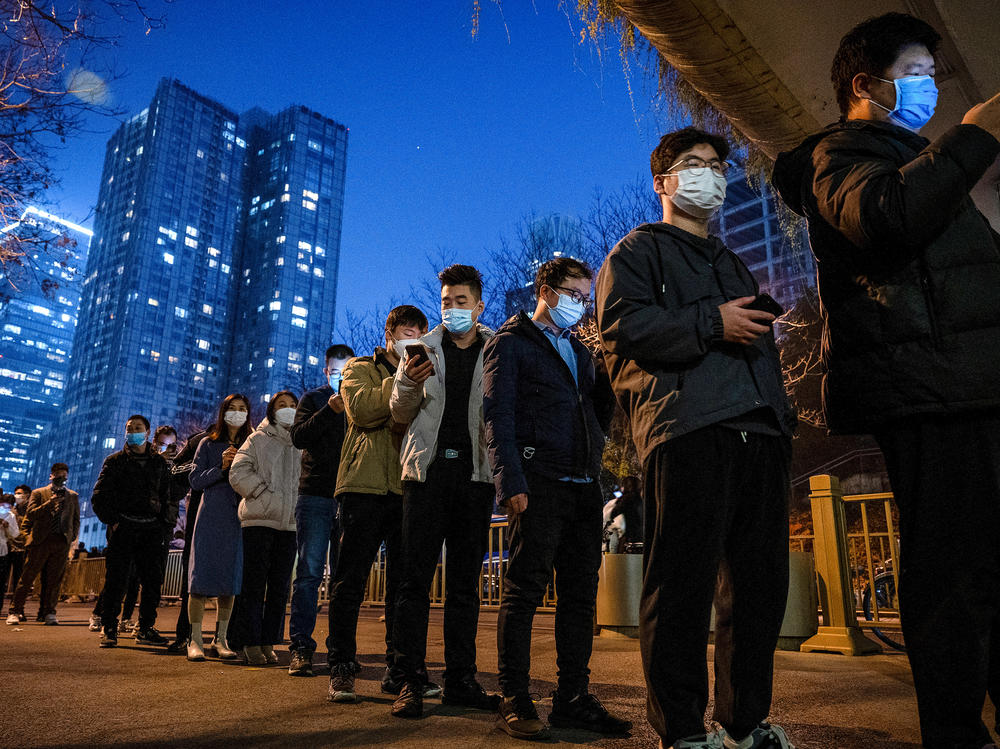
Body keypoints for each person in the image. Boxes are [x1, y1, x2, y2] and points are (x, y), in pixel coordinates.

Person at [771, 13, 1000, 748]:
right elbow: (885, 217)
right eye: (915, 72)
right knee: (956, 575)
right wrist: (976, 134)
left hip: (965, 384)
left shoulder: (907, 156)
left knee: (984, 572)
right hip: (932, 389)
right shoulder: (841, 155)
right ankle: (955, 732)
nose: (929, 86)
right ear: (864, 84)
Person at [596, 126, 797, 749]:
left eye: (717, 164)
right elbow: (622, 329)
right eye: (694, 164)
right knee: (681, 586)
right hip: (686, 430)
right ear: (663, 182)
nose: (710, 174)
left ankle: (744, 722)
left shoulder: (732, 260)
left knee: (759, 589)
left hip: (758, 430)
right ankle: (681, 730)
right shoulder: (637, 252)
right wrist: (713, 319)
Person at [484, 257, 629, 739]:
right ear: (545, 289)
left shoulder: (581, 352)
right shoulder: (510, 344)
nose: (580, 304)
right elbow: (497, 416)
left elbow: (597, 413)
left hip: (584, 486)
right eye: (573, 293)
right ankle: (515, 697)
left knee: (580, 597)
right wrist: (511, 482)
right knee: (524, 592)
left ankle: (572, 697)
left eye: (585, 297)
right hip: (539, 482)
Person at [388, 264, 500, 719]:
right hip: (427, 475)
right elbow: (399, 411)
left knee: (463, 588)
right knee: (413, 582)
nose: (452, 309)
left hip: (476, 478)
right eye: (446, 302)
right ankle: (409, 679)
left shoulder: (497, 349)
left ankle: (461, 679)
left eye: (461, 302)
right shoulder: (422, 348)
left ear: (479, 305)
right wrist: (407, 381)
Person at [326, 305, 429, 704]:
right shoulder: (359, 368)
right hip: (362, 486)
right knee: (349, 581)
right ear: (389, 335)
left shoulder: (428, 370)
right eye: (405, 333)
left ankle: (399, 670)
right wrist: (403, 382)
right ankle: (341, 668)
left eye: (418, 334)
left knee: (403, 586)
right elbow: (364, 409)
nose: (410, 341)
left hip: (406, 487)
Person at [287, 343, 354, 676]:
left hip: (350, 496)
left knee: (346, 579)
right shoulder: (312, 399)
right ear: (326, 371)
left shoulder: (361, 398)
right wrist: (330, 410)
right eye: (335, 369)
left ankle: (341, 651)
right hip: (314, 496)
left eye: (347, 368)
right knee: (309, 575)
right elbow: (298, 437)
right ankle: (300, 647)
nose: (341, 375)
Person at [229, 390, 302, 666]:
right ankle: (249, 641)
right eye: (282, 405)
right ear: (271, 410)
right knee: (254, 585)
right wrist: (260, 491)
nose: (288, 409)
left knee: (280, 588)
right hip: (259, 522)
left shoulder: (300, 442)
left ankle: (269, 640)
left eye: (293, 405)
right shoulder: (257, 439)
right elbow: (238, 471)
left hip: (289, 524)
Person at [91, 416, 173, 648]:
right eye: (129, 428)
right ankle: (109, 628)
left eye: (138, 428)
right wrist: (113, 521)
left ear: (147, 432)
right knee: (117, 580)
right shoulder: (115, 461)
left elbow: (167, 495)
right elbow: (99, 496)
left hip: (152, 529)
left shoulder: (158, 463)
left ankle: (145, 627)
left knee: (152, 581)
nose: (133, 431)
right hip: (124, 527)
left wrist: (164, 524)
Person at [186, 395, 252, 662]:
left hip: (238, 517)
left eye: (242, 409)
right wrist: (221, 468)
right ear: (223, 413)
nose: (237, 413)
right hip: (210, 516)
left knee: (230, 580)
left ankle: (220, 638)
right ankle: (195, 639)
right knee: (200, 579)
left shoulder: (251, 444)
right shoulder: (208, 443)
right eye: (231, 409)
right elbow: (194, 479)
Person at [9, 464, 80, 626]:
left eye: (64, 475)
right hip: (40, 541)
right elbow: (31, 514)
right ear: (51, 476)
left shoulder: (73, 496)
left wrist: (71, 537)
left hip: (60, 542)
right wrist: (49, 503)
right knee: (27, 578)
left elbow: (75, 520)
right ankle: (15, 610)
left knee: (54, 580)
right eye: (57, 475)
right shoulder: (39, 493)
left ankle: (49, 612)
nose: (61, 478)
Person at [164, 425, 211, 652]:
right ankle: (187, 635)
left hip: (235, 518)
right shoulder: (199, 441)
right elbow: (175, 472)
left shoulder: (248, 439)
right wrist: (200, 467)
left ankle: (230, 636)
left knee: (235, 580)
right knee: (191, 579)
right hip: (199, 518)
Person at [1, 484, 30, 619]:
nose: (18, 496)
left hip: (23, 549)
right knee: (2, 580)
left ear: (28, 495)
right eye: (16, 493)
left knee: (20, 582)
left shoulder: (31, 512)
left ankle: (17, 609)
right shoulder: (9, 511)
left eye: (20, 493)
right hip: (8, 549)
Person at [1, 497, 21, 624]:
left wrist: (7, 526)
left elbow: (15, 534)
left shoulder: (10, 516)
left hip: (2, 551)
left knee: (1, 581)